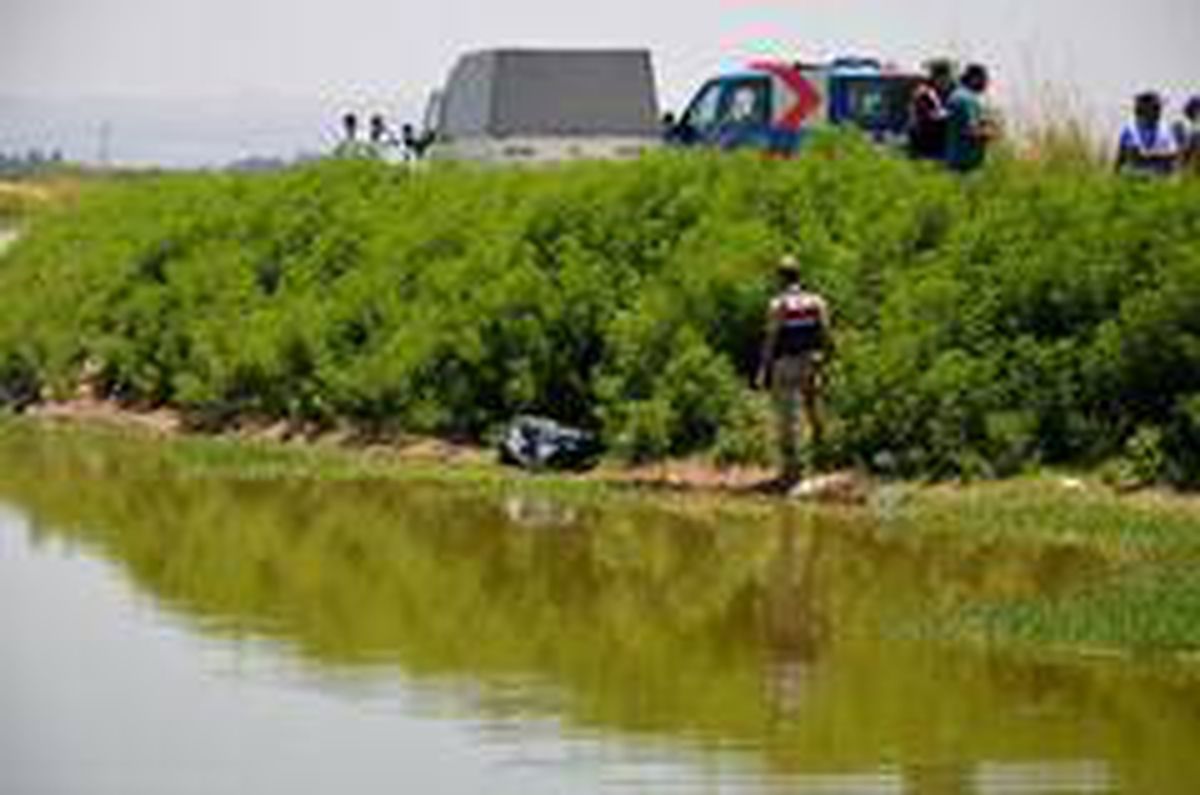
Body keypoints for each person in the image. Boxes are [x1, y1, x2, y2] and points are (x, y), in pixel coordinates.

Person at [754, 256, 832, 484]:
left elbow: (771, 339)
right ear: (800, 275)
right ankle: (823, 458)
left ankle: (791, 472)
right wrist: (826, 359)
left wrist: (763, 369)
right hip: (811, 360)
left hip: (786, 364)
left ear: (780, 277)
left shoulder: (778, 304)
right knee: (814, 410)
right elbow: (826, 333)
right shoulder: (817, 301)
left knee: (786, 417)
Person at [944, 63, 996, 173]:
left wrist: (983, 122)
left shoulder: (956, 95)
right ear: (974, 79)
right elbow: (970, 131)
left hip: (955, 160)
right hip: (966, 165)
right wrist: (989, 133)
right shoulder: (967, 100)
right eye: (984, 79)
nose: (986, 84)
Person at [1116, 92, 1179, 176]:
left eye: (1158, 108)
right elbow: (1129, 155)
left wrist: (1150, 156)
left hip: (1160, 171)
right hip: (1137, 171)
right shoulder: (1130, 129)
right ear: (1143, 110)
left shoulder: (1165, 128)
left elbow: (1173, 154)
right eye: (1155, 108)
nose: (1159, 112)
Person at [908, 59, 955, 161]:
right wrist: (947, 115)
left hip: (944, 145)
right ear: (935, 77)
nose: (945, 82)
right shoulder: (923, 93)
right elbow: (925, 116)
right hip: (925, 145)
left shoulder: (952, 90)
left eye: (947, 78)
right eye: (942, 79)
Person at [1173, 95, 1200, 173]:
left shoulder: (1194, 125)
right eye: (1197, 110)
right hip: (1184, 156)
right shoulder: (1182, 124)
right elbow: (1181, 147)